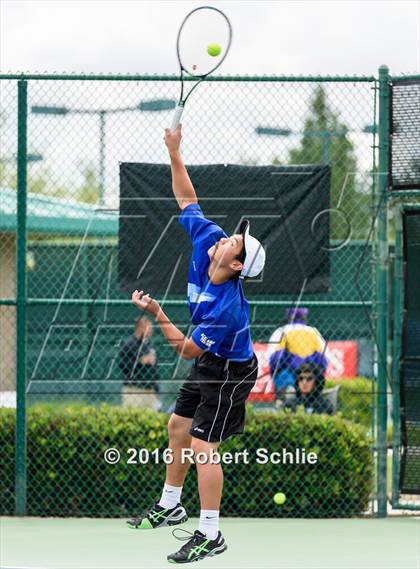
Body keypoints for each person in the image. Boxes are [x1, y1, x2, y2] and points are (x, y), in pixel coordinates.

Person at [126, 124, 265, 564]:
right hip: (210, 362)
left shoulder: (227, 308)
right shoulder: (208, 239)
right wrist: (174, 152)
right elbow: (187, 199)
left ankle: (210, 533)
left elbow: (187, 349)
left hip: (230, 372)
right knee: (177, 427)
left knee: (204, 446)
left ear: (237, 264)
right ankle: (171, 504)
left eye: (233, 242)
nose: (224, 237)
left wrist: (158, 314)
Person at [268, 307, 328, 400]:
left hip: (287, 376)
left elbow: (273, 360)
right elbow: (324, 359)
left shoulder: (281, 331)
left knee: (283, 378)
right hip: (309, 375)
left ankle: (286, 397)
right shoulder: (313, 332)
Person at [118, 316, 160, 411]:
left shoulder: (149, 344)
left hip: (150, 389)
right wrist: (140, 361)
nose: (151, 330)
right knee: (132, 416)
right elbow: (122, 365)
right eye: (149, 327)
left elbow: (156, 365)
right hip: (134, 389)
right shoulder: (129, 344)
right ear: (141, 327)